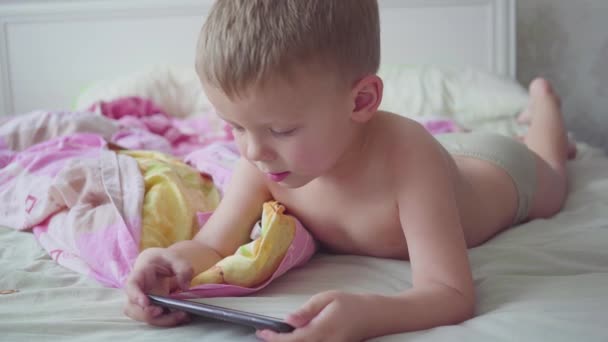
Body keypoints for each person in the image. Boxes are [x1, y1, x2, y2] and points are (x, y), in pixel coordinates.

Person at [123, 0, 574, 340]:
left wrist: (367, 315)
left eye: (282, 129)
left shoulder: (407, 158)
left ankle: (542, 104)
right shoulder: (262, 159)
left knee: (552, 172)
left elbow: (451, 294)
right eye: (236, 126)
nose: (255, 150)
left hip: (497, 169)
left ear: (361, 101)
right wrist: (170, 263)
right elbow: (212, 245)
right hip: (449, 156)